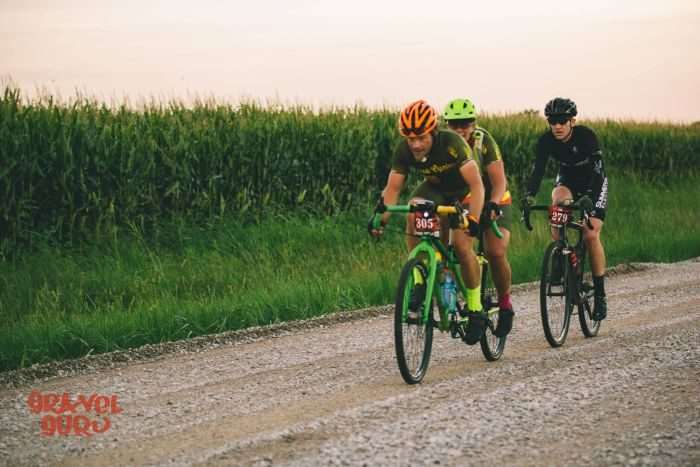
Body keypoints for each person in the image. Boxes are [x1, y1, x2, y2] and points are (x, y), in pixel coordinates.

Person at [369, 99, 487, 344]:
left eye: (421, 137)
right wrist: (381, 218)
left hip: (463, 194)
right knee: (413, 210)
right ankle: (420, 278)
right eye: (411, 139)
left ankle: (475, 308)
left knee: (463, 247)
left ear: (433, 132)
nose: (416, 144)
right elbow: (392, 189)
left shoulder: (452, 143)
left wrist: (473, 218)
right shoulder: (404, 150)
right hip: (436, 191)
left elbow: (477, 185)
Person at [523, 97, 609, 320]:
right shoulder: (546, 141)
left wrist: (591, 196)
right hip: (568, 179)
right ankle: (561, 254)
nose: (557, 126)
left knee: (590, 234)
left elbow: (599, 170)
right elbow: (538, 171)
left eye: (562, 121)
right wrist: (529, 196)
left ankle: (600, 294)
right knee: (558, 205)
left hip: (593, 181)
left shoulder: (586, 136)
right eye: (552, 121)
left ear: (572, 121)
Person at [442, 98, 515, 337]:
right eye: (454, 125)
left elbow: (499, 180)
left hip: (495, 197)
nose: (460, 129)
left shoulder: (484, 141)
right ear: (447, 125)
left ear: (473, 123)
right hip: (467, 199)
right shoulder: (446, 145)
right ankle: (462, 302)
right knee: (458, 249)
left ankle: (505, 305)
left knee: (495, 252)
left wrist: (493, 203)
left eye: (465, 124)